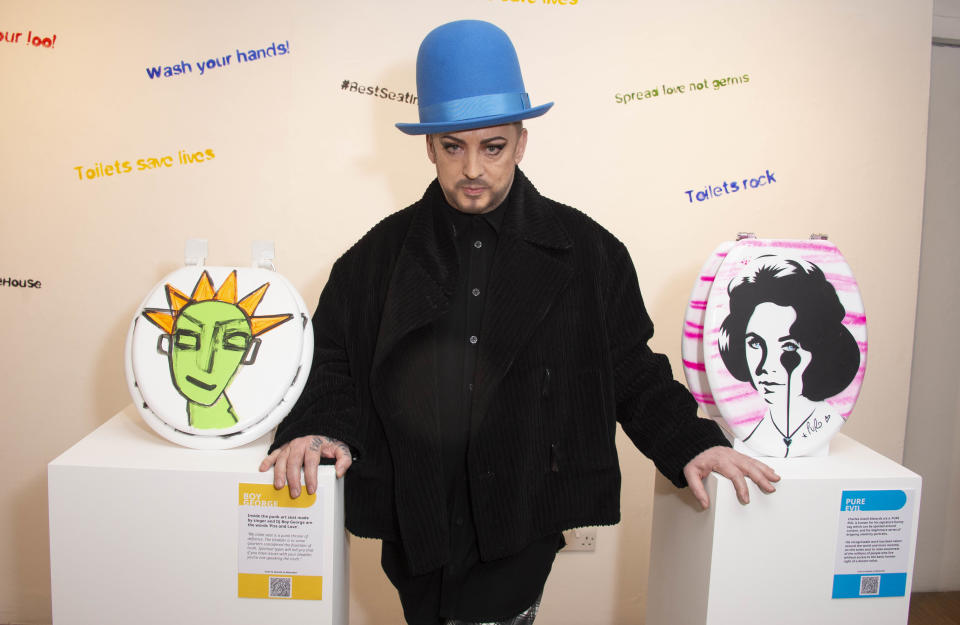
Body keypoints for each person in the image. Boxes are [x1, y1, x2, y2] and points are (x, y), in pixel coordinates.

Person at [260, 19, 779, 625]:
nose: (472, 168)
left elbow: (631, 371)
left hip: (523, 516)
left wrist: (692, 443)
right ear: (428, 147)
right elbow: (334, 361)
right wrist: (318, 427)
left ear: (522, 142)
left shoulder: (590, 253)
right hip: (415, 514)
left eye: (493, 146)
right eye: (453, 147)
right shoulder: (374, 258)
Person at [718, 255, 860, 457]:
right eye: (755, 343)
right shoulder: (754, 433)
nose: (765, 367)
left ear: (820, 348)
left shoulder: (824, 424)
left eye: (789, 346)